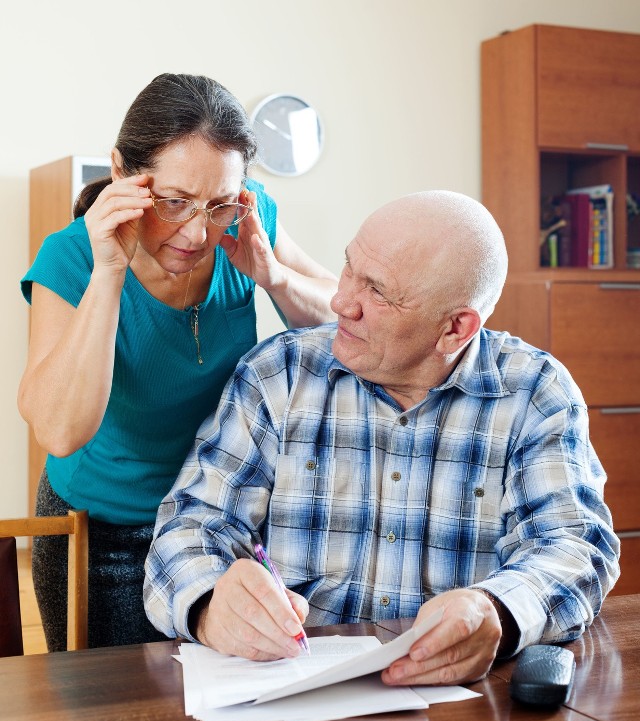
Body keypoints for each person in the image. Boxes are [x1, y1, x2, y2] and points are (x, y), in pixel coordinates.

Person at [143, 190, 620, 685]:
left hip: (456, 709)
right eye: (349, 268)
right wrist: (208, 605)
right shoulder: (278, 373)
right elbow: (188, 528)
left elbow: (575, 546)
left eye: (378, 291)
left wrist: (495, 611)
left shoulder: (534, 392)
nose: (339, 301)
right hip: (290, 697)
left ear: (455, 328)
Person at [18, 73, 338, 651]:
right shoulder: (70, 258)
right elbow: (60, 431)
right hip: (103, 531)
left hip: (217, 517)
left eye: (217, 204)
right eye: (173, 203)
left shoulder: (246, 216)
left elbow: (348, 325)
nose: (197, 232)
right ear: (121, 174)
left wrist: (273, 276)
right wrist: (109, 274)